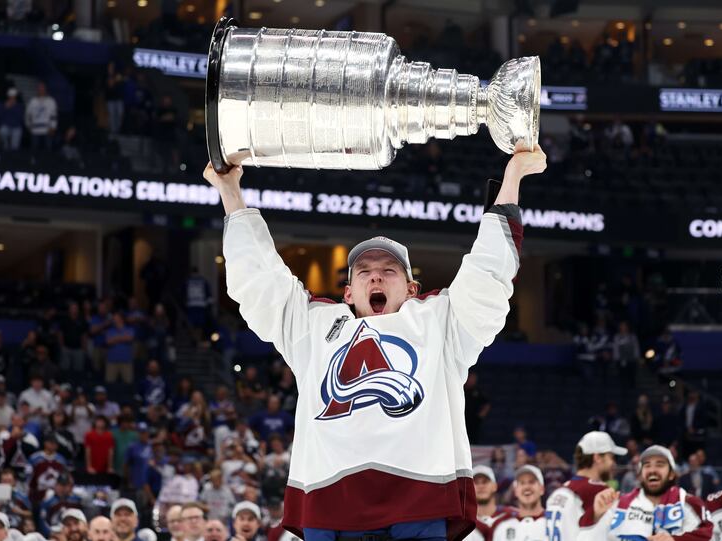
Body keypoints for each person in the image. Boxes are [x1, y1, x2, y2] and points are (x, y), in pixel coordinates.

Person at [203, 143, 546, 540]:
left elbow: (488, 273)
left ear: (412, 287)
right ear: (348, 293)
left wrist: (513, 176)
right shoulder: (315, 327)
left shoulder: (440, 322)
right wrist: (229, 189)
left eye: (388, 270)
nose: (375, 277)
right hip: (329, 502)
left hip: (419, 497)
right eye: (363, 272)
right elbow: (259, 280)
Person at [600, 445, 712, 539]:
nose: (652, 470)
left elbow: (709, 535)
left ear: (671, 474)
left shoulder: (688, 503)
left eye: (660, 465)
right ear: (640, 475)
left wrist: (675, 540)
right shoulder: (619, 504)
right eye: (647, 465)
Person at [545, 431, 626, 541]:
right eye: (611, 457)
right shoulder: (599, 492)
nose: (614, 464)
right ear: (597, 457)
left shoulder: (558, 492)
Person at [488, 466, 547, 541]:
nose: (526, 487)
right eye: (522, 483)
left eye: (531, 482)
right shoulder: (500, 525)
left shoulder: (556, 522)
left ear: (542, 489)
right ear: (515, 491)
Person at [25, 82, 57, 151]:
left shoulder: (51, 101)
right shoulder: (32, 101)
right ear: (37, 90)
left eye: (43, 89)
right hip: (35, 130)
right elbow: (27, 115)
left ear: (45, 90)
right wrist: (28, 126)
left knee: (48, 151)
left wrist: (53, 127)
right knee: (34, 151)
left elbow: (54, 116)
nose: (41, 90)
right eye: (40, 89)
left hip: (47, 130)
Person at [105, 312, 135, 385]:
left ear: (121, 319)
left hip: (126, 361)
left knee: (128, 384)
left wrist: (115, 339)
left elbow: (129, 338)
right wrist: (122, 338)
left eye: (116, 317)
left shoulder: (129, 329)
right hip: (112, 361)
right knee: (109, 385)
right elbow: (108, 342)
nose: (113, 319)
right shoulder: (110, 330)